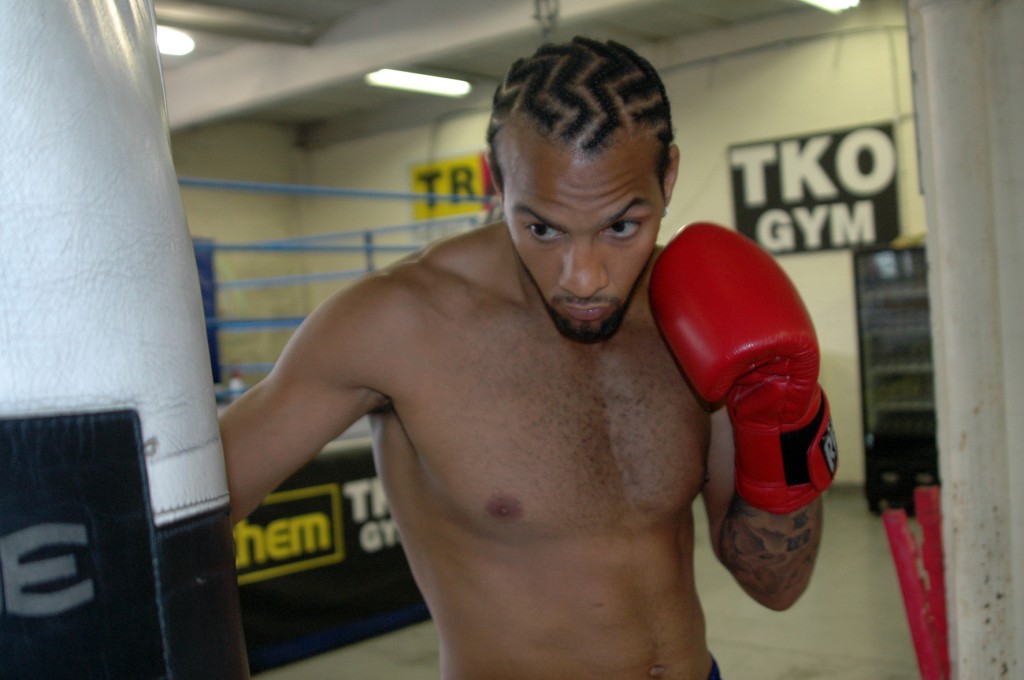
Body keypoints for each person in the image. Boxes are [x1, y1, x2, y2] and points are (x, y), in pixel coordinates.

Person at [220, 36, 837, 680]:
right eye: (542, 228)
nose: (584, 278)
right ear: (497, 179)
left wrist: (785, 430)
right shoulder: (396, 324)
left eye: (622, 227)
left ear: (669, 177)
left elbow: (776, 586)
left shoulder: (692, 314)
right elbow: (177, 516)